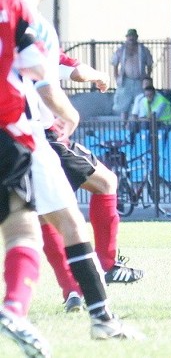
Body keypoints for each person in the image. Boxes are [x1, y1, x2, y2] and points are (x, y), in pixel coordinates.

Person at [11, 0, 142, 339]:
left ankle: (65, 296)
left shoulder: (5, 13)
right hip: (30, 132)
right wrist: (68, 111)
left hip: (12, 134)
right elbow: (46, 73)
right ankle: (95, 302)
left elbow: (59, 65)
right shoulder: (31, 20)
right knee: (64, 218)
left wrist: (88, 73)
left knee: (30, 222)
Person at [40, 52, 144, 314]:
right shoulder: (31, 35)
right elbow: (75, 73)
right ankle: (107, 265)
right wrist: (101, 76)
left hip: (11, 141)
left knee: (42, 215)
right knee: (106, 183)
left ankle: (71, 289)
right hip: (42, 138)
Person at [0, 0, 51, 358]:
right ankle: (15, 307)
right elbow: (37, 64)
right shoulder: (10, 4)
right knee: (22, 225)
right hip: (6, 128)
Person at [111, 28, 153, 123]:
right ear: (126, 37)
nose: (131, 38)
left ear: (136, 37)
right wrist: (116, 77)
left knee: (140, 103)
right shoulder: (121, 50)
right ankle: (123, 124)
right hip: (126, 81)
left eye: (133, 36)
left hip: (140, 81)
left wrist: (147, 78)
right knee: (123, 106)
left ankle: (138, 125)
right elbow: (114, 63)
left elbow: (150, 64)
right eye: (129, 36)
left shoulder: (143, 49)